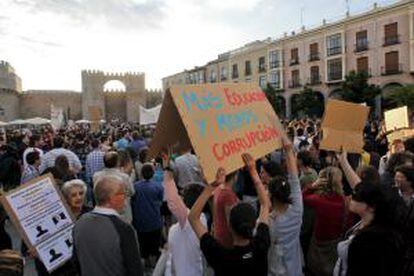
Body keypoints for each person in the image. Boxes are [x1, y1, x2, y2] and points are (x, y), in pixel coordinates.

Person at [188, 154, 270, 276]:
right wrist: (253, 171)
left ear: (229, 226)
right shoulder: (261, 245)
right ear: (254, 225)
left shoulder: (220, 255)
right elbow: (265, 205)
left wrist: (211, 186)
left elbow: (192, 218)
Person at [73, 175, 143, 276]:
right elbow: (135, 270)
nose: (126, 197)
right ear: (112, 198)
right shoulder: (124, 229)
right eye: (123, 193)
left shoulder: (80, 223)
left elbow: (76, 262)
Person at [334, 182, 405, 276]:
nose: (351, 197)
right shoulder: (368, 221)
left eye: (356, 196)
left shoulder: (370, 242)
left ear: (371, 207)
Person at [303, 166, 352, 276]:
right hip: (335, 244)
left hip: (318, 244)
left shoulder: (318, 200)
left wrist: (313, 186)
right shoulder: (346, 202)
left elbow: (303, 197)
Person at [268, 134, 304, 276]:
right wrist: (289, 151)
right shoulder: (296, 210)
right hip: (295, 270)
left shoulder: (268, 222)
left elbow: (294, 180)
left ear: (270, 195)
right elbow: (294, 179)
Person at [164, 169, 206, 276]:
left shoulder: (187, 219)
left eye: (181, 196)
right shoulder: (201, 218)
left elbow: (173, 201)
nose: (180, 197)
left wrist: (168, 172)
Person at [131, 163, 164, 268]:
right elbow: (160, 201)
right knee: (155, 245)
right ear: (153, 173)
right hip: (154, 220)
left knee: (143, 244)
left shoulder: (135, 186)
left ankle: (146, 264)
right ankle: (155, 266)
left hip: (140, 222)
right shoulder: (158, 186)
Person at [93, 151, 135, 223]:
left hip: (103, 212)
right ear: (117, 162)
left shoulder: (96, 176)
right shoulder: (124, 177)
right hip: (122, 213)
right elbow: (132, 192)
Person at [213, 168, 239, 248]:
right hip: (227, 236)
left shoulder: (218, 188)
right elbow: (231, 221)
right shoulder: (228, 194)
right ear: (235, 176)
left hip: (218, 231)